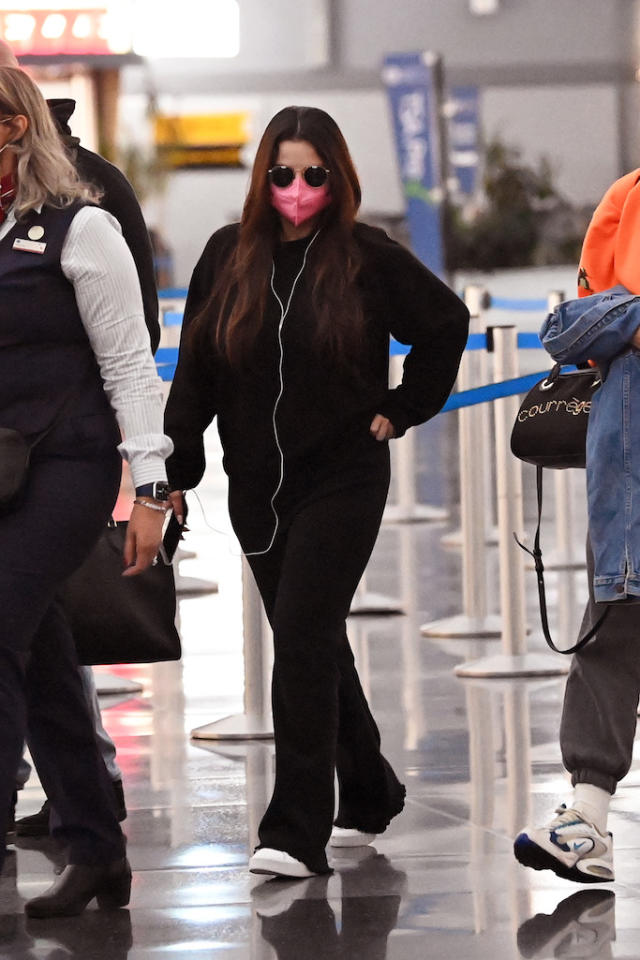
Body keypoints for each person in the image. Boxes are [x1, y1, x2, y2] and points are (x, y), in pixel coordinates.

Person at [164, 105, 469, 878]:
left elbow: (445, 323)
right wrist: (175, 473)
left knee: (300, 635)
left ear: (337, 178)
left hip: (343, 478)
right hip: (257, 487)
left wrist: (402, 409)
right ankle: (368, 789)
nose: (297, 188)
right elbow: (196, 369)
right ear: (262, 177)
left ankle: (295, 830)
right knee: (316, 640)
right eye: (282, 173)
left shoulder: (367, 257)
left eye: (313, 174)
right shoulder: (224, 258)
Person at [0, 65, 173, 916]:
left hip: (67, 466)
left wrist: (151, 488)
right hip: (1, 466)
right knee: (41, 657)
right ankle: (96, 847)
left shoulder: (82, 226)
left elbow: (130, 364)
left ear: (17, 128)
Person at [514, 169, 640, 884]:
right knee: (612, 628)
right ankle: (585, 820)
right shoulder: (628, 195)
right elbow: (580, 323)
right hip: (629, 475)